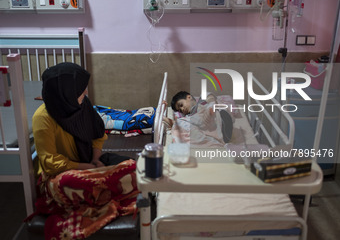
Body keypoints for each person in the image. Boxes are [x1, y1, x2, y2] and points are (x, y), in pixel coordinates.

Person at [28, 62, 139, 240]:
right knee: (68, 181)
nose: (86, 93)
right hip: (61, 174)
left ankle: (102, 187)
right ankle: (108, 187)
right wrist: (88, 166)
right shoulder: (43, 118)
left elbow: (97, 133)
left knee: (136, 167)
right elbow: (50, 162)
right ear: (65, 92)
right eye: (81, 89)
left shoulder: (82, 105)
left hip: (89, 161)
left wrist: (95, 160)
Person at [166, 91, 233, 144]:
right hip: (221, 135)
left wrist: (211, 105)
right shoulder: (188, 117)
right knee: (181, 123)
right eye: (180, 110)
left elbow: (210, 97)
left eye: (181, 105)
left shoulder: (202, 101)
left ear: (189, 97)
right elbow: (178, 123)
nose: (182, 109)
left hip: (222, 119)